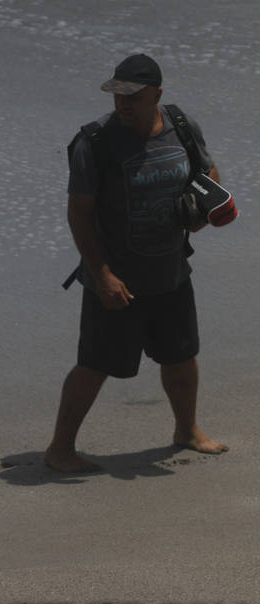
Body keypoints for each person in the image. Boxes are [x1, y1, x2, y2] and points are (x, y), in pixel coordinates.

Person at [45, 54, 229, 473]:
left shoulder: (181, 126)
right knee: (95, 366)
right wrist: (102, 274)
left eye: (134, 97)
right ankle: (59, 449)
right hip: (116, 282)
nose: (123, 106)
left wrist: (204, 210)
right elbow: (79, 213)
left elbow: (208, 171)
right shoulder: (95, 141)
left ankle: (186, 431)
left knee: (181, 357)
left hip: (171, 272)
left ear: (157, 95)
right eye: (118, 97)